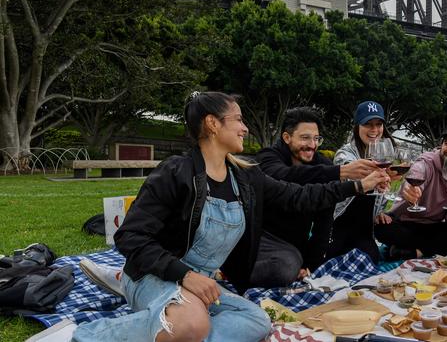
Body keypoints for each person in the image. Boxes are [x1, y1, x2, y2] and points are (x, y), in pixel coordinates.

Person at [66, 92, 387, 342]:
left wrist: (358, 186)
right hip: (155, 277)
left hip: (201, 287)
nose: (245, 127)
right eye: (237, 119)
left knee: (256, 322)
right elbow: (129, 236)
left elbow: (298, 196)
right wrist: (185, 275)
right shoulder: (176, 172)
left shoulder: (245, 176)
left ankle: (179, 333)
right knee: (193, 322)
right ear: (212, 124)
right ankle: (90, 335)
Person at [254, 107, 378, 285]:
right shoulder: (267, 157)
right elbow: (286, 177)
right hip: (263, 236)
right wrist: (341, 172)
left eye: (316, 138)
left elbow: (324, 221)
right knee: (284, 267)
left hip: (295, 244)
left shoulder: (322, 164)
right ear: (287, 137)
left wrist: (311, 265)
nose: (312, 145)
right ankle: (233, 274)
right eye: (305, 138)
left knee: (294, 266)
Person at [374, 121, 447, 259]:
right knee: (381, 228)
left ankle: (416, 251)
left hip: (435, 226)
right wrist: (410, 190)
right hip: (406, 224)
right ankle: (445, 246)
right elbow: (416, 173)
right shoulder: (426, 163)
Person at [330, 101, 395, 263]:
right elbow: (351, 171)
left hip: (365, 230)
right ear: (357, 126)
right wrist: (376, 177)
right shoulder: (345, 154)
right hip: (340, 226)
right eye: (368, 124)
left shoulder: (383, 156)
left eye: (378, 124)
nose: (374, 130)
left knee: (370, 259)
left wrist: (379, 212)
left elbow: (381, 195)